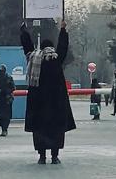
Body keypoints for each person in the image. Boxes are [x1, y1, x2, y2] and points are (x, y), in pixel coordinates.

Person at [20, 20, 76, 165]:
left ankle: (42, 156)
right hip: (56, 104)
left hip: (38, 106)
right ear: (52, 47)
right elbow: (63, 46)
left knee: (40, 130)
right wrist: (63, 30)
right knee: (56, 130)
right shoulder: (56, 59)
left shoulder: (33, 58)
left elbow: (27, 46)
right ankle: (55, 156)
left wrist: (24, 31)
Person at [0, 64, 16, 137]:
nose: (1, 72)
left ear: (4, 71)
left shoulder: (9, 78)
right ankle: (2, 128)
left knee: (7, 116)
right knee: (0, 115)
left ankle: (5, 129)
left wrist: (6, 91)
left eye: (2, 71)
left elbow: (13, 87)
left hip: (7, 99)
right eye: (0, 71)